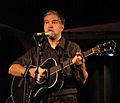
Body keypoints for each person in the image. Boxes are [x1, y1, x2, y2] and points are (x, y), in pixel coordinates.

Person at [8, 10, 88, 103]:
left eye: (54, 22)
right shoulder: (38, 49)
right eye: (46, 22)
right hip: (42, 99)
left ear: (62, 27)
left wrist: (80, 66)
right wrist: (31, 72)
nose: (49, 25)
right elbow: (12, 69)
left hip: (66, 98)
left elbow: (83, 80)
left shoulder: (72, 47)